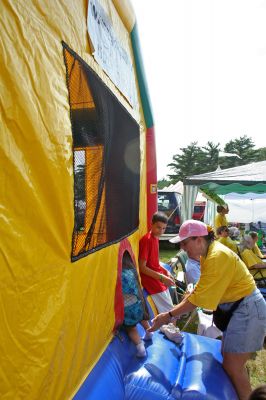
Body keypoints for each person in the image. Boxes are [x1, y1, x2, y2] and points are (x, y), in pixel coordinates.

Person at [148, 220, 266, 400]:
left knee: (233, 366)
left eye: (184, 242)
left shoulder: (216, 256)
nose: (182, 247)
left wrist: (168, 315)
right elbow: (200, 290)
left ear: (199, 239)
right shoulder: (207, 255)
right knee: (229, 360)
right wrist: (175, 311)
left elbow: (198, 300)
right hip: (238, 307)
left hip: (247, 309)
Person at [139, 212, 175, 313]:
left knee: (170, 309)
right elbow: (142, 267)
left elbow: (154, 262)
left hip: (157, 277)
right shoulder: (147, 240)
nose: (161, 231)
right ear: (152, 224)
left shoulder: (155, 238)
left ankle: (168, 326)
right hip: (150, 280)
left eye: (164, 228)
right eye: (158, 227)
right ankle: (169, 327)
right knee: (170, 312)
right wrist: (162, 277)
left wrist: (165, 272)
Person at [122, 254, 153, 358]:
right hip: (137, 302)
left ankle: (140, 348)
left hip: (127, 307)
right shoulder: (131, 271)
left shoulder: (116, 274)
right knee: (141, 318)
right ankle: (149, 331)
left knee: (131, 329)